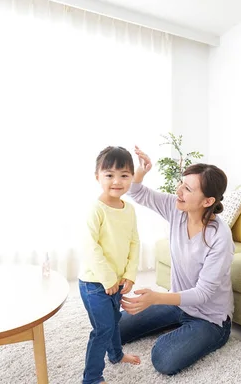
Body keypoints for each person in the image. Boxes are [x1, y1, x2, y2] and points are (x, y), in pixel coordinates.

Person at [119, 145, 234, 375]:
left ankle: (196, 334)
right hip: (179, 305)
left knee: (163, 357)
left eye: (187, 188)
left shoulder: (219, 237)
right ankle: (179, 325)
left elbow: (202, 294)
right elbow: (136, 192)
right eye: (181, 183)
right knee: (115, 328)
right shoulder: (176, 209)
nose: (178, 190)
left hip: (209, 318)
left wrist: (155, 298)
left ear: (207, 201)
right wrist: (141, 172)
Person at [79, 146, 141, 384]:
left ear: (131, 178)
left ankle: (116, 355)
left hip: (117, 281)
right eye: (109, 175)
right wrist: (108, 279)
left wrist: (130, 274)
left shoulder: (130, 210)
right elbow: (90, 246)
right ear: (98, 177)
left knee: (115, 321)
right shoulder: (96, 209)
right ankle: (92, 378)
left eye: (124, 175)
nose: (117, 181)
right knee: (103, 329)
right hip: (95, 283)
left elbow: (135, 242)